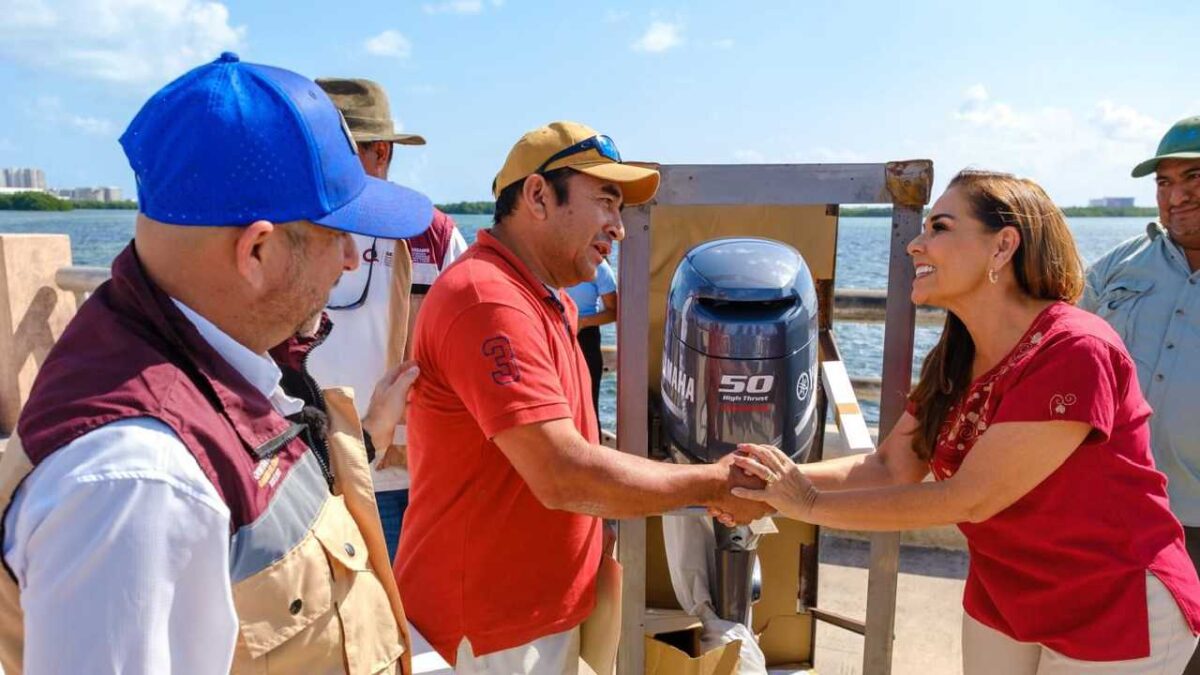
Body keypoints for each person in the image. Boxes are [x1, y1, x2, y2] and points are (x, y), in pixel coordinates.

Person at [0, 53, 430, 674]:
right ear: (256, 251)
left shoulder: (221, 358)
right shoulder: (134, 483)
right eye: (340, 236)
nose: (347, 261)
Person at [723, 169, 1200, 674]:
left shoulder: (1075, 349)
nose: (916, 246)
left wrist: (807, 503)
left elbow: (970, 497)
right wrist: (767, 483)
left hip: (1115, 602)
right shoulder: (955, 357)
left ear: (1003, 247)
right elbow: (888, 467)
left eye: (940, 228)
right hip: (1009, 593)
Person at [395, 121, 770, 673]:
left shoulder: (545, 301)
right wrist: (713, 482)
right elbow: (563, 473)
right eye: (605, 201)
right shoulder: (488, 301)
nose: (618, 228)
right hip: (489, 632)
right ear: (539, 196)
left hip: (543, 616)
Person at [310, 77, 469, 561]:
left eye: (337, 150)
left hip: (399, 477)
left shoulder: (431, 235)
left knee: (395, 625)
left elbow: (468, 346)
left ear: (381, 154)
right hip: (301, 467)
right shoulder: (281, 228)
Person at [564, 257, 617, 434]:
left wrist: (581, 322)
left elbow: (614, 311)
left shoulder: (599, 266)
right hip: (551, 334)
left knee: (588, 406)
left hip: (585, 338)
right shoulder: (546, 259)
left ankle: (592, 454)